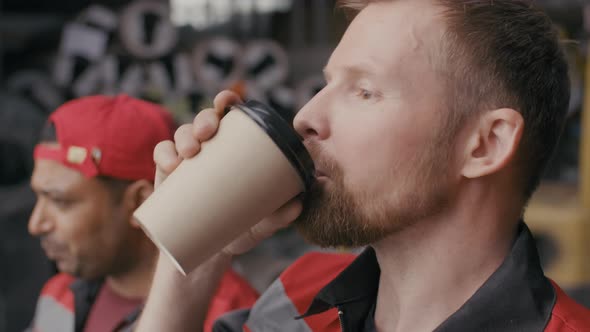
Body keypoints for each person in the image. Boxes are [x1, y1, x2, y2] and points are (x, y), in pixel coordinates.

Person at [136, 0, 590, 331]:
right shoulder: (299, 299)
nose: (305, 118)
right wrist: (199, 251)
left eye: (365, 91)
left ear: (485, 145)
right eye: (327, 84)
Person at [27, 95, 259, 332]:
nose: (35, 224)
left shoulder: (236, 317)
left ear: (140, 201)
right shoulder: (58, 293)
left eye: (60, 201)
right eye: (38, 197)